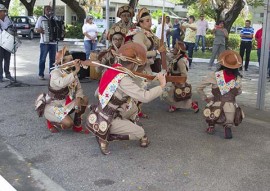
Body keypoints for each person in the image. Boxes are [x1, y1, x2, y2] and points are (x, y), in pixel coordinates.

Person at [84, 42, 166, 155]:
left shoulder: (113, 69)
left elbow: (96, 93)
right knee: (140, 132)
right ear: (133, 64)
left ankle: (116, 125)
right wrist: (161, 86)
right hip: (109, 117)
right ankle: (104, 135)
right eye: (139, 65)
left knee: (134, 109)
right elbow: (145, 97)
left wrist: (153, 79)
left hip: (103, 109)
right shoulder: (124, 79)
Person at [35, 47, 89, 133]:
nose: (72, 62)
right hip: (53, 105)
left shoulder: (70, 72)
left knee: (84, 99)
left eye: (72, 59)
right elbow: (62, 83)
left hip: (65, 103)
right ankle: (50, 120)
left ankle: (77, 125)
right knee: (68, 124)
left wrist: (78, 99)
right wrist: (76, 71)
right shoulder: (55, 73)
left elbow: (79, 88)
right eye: (69, 61)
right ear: (61, 62)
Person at [197, 50, 243, 139]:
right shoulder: (238, 79)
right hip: (231, 110)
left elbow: (199, 88)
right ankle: (228, 126)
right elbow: (239, 92)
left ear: (222, 64)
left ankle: (211, 125)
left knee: (211, 104)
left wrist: (205, 98)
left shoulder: (214, 75)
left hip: (216, 108)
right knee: (232, 106)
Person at [126, 7, 166, 74]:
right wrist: (157, 51)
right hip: (138, 67)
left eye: (150, 20)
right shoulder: (138, 34)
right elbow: (141, 53)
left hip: (146, 64)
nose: (150, 23)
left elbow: (157, 43)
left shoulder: (148, 33)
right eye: (147, 21)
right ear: (141, 23)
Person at [162, 40, 199, 113]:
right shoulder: (177, 58)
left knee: (180, 96)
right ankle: (174, 106)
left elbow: (184, 73)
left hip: (178, 81)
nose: (173, 49)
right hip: (174, 80)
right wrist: (163, 52)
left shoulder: (180, 60)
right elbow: (170, 59)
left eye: (175, 48)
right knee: (172, 95)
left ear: (179, 51)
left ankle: (193, 105)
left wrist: (180, 82)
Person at [35, 5, 57, 80]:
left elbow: (59, 28)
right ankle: (41, 74)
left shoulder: (55, 19)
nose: (48, 10)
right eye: (47, 9)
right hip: (44, 42)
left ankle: (52, 74)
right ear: (44, 11)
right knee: (42, 59)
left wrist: (61, 32)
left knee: (53, 60)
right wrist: (40, 30)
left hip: (53, 43)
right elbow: (36, 29)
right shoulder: (41, 18)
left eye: (50, 9)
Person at [0, 4, 15, 82]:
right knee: (0, 59)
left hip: (8, 42)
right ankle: (0, 76)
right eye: (2, 11)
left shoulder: (7, 19)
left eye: (4, 11)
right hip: (0, 43)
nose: (4, 12)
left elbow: (11, 28)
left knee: (7, 59)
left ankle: (7, 74)